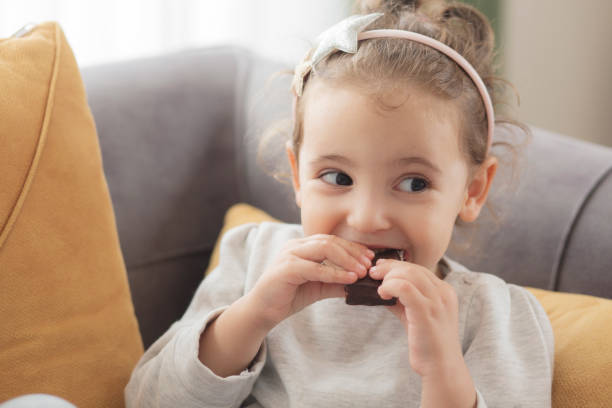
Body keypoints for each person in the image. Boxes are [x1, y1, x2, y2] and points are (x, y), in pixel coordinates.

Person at [125, 0, 554, 407]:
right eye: (337, 178)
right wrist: (251, 317)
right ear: (297, 175)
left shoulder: (499, 318)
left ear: (473, 190)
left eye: (414, 183)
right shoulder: (252, 261)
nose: (366, 219)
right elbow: (145, 400)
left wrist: (443, 371)